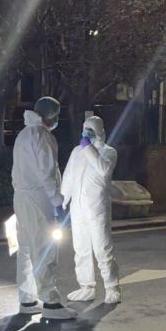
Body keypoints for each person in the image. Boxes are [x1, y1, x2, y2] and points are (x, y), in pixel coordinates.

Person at [12, 97, 76, 320]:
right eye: (56, 115)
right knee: (45, 248)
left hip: (21, 198)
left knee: (27, 249)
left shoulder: (24, 135)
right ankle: (51, 303)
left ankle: (27, 299)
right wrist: (58, 203)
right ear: (50, 116)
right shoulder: (43, 136)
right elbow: (47, 175)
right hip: (39, 199)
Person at [61, 115, 121, 305]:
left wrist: (88, 147)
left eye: (91, 129)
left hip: (97, 209)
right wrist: (62, 201)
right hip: (77, 208)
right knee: (81, 249)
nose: (86, 132)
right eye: (85, 128)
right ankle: (86, 287)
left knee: (102, 249)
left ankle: (112, 288)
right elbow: (68, 177)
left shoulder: (108, 152)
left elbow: (103, 170)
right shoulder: (76, 152)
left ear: (100, 132)